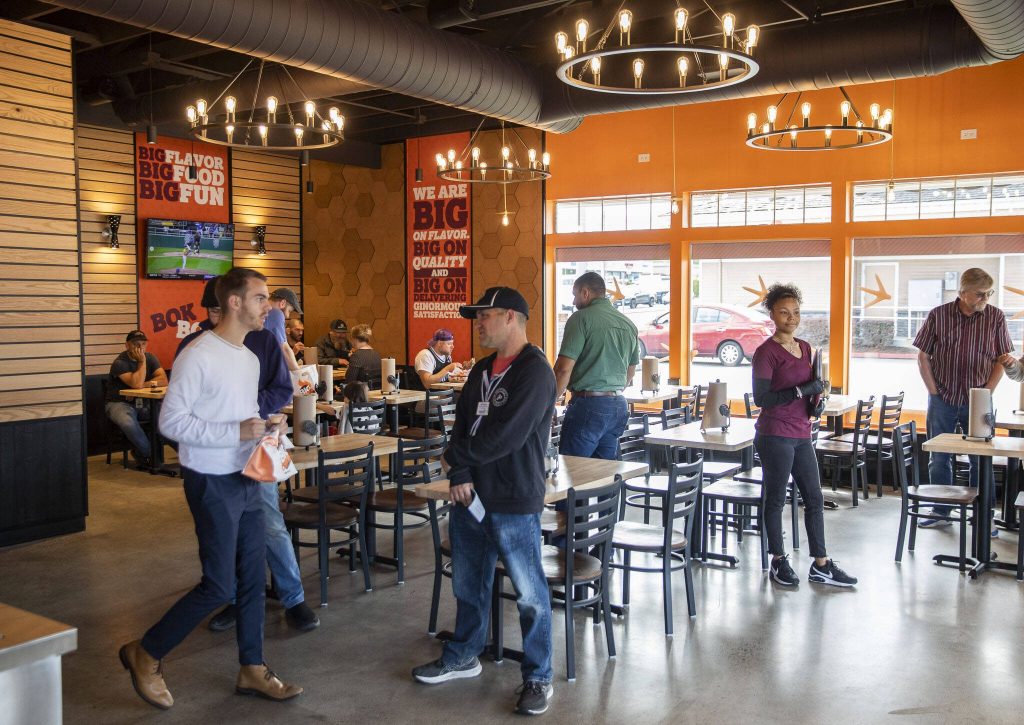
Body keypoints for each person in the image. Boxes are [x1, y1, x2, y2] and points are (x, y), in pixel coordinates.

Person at [118, 268, 302, 710]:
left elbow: (239, 420)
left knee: (253, 579)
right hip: (210, 482)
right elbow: (170, 423)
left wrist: (263, 429)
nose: (270, 306)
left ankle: (252, 668)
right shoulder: (197, 354)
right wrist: (236, 431)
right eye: (261, 298)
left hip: (248, 477)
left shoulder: (250, 357)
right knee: (219, 587)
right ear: (234, 302)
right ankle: (145, 653)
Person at [411, 287, 556, 716]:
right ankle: (464, 654)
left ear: (511, 317)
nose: (478, 324)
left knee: (529, 592)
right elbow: (462, 425)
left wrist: (454, 458)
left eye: (485, 316)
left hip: (513, 497)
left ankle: (538, 676)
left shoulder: (536, 372)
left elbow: (506, 437)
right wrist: (458, 472)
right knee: (469, 585)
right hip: (470, 497)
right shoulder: (480, 369)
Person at [176, 278, 319, 635]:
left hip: (257, 450)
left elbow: (282, 387)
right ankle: (234, 600)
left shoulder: (263, 341)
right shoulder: (194, 346)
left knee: (269, 523)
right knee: (221, 530)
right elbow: (181, 408)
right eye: (259, 299)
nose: (266, 307)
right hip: (211, 458)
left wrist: (250, 415)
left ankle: (294, 599)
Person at [752, 283, 858, 588]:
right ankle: (777, 561)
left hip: (802, 433)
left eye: (796, 312)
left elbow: (813, 389)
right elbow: (762, 399)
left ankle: (821, 564)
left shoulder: (807, 349)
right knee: (775, 499)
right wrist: (800, 390)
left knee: (814, 497)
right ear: (772, 314)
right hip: (774, 435)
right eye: (784, 312)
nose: (791, 318)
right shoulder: (765, 353)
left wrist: (817, 401)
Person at [913, 267, 1012, 528]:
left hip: (978, 401)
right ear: (963, 292)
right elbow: (923, 356)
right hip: (943, 397)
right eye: (980, 294)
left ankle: (983, 517)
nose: (985, 299)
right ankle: (941, 512)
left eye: (989, 293)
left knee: (981, 459)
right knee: (940, 458)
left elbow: (1001, 359)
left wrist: (986, 393)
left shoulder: (995, 317)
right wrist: (933, 392)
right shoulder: (939, 315)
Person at [553, 272, 639, 459]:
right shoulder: (628, 323)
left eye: (575, 295)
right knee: (604, 474)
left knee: (572, 470)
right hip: (618, 406)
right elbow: (630, 371)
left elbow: (563, 369)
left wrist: (548, 402)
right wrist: (610, 391)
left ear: (585, 293)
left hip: (589, 405)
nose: (574, 301)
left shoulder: (580, 319)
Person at [106, 330, 168, 467]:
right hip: (119, 403)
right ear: (127, 345)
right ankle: (149, 454)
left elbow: (164, 379)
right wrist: (141, 362)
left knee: (166, 415)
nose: (140, 348)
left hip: (144, 401)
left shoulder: (151, 357)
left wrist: (139, 388)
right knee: (128, 423)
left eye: (143, 344)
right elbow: (137, 383)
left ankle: (187, 455)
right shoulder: (120, 362)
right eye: (136, 344)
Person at [267, 288, 303, 372]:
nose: (287, 316)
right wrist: (299, 374)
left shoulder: (258, 311)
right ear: (282, 303)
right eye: (289, 311)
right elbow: (284, 349)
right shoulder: (276, 313)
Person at [345, 324, 382, 389]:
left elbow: (349, 382)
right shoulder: (377, 354)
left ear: (354, 338)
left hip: (361, 396)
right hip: (378, 395)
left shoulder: (356, 356)